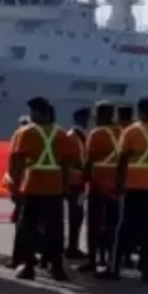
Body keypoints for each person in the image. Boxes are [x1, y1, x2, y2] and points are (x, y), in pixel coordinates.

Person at [104, 97, 148, 283]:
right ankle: (147, 271)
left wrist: (118, 186)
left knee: (124, 229)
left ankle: (115, 268)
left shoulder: (130, 131)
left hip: (133, 187)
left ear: (138, 111)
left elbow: (121, 161)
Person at [9, 97, 75, 280]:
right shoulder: (62, 134)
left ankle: (27, 265)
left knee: (27, 228)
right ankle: (56, 266)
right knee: (55, 229)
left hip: (32, 186)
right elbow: (67, 163)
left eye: (31, 112)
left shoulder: (26, 132)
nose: (30, 116)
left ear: (38, 112)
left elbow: (17, 163)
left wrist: (15, 188)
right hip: (54, 187)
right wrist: (65, 186)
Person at [79, 101, 120, 274]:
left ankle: (92, 260)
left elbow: (89, 161)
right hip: (116, 185)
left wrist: (84, 183)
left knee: (94, 224)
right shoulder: (122, 132)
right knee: (112, 224)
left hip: (98, 185)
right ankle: (110, 259)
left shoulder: (96, 134)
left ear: (101, 115)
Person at [65, 107, 90, 259]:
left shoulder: (76, 135)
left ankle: (72, 246)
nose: (88, 122)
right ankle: (72, 248)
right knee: (76, 216)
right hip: (75, 182)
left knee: (76, 216)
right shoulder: (76, 136)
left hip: (74, 181)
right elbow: (77, 161)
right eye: (86, 118)